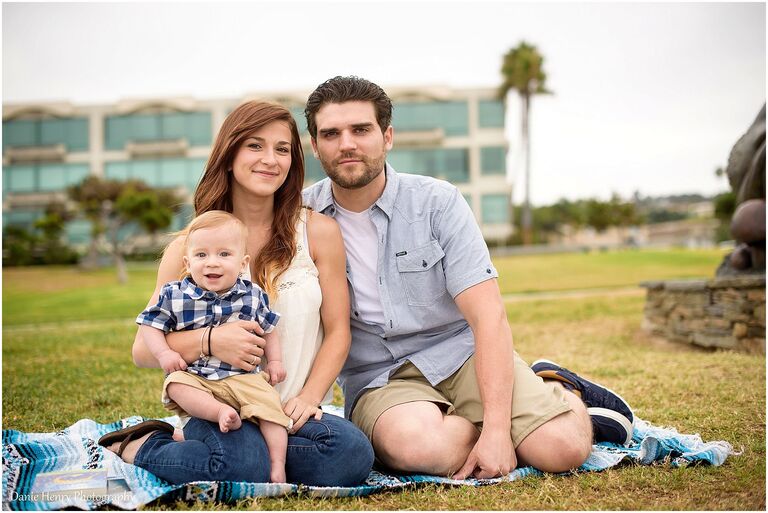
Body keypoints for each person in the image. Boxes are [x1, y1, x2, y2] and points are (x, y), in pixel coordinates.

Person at [302, 76, 635, 479]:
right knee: (423, 448)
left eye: (361, 129)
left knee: (560, 449)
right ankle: (510, 418)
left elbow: (487, 316)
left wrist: (496, 430)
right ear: (316, 146)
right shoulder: (301, 218)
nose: (347, 144)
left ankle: (561, 389)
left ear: (387, 136)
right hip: (378, 378)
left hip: (461, 355)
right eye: (331, 134)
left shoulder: (438, 203)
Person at [98, 100, 374, 487]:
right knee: (240, 464)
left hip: (287, 410)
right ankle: (141, 444)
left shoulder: (319, 231)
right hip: (216, 408)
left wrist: (310, 398)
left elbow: (339, 332)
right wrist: (211, 340)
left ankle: (241, 457)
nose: (270, 160)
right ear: (229, 155)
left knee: (350, 455)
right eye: (255, 146)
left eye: (282, 149)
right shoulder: (193, 246)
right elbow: (143, 351)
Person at [135, 210, 292, 483]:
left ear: (243, 262)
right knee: (175, 384)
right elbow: (149, 324)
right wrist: (165, 353)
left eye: (224, 254)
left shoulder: (253, 295)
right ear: (187, 262)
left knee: (271, 409)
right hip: (197, 378)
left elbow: (269, 330)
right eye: (201, 255)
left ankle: (278, 464)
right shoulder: (175, 294)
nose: (212, 263)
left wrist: (275, 361)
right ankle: (218, 413)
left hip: (243, 377)